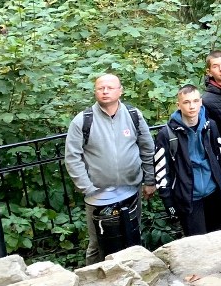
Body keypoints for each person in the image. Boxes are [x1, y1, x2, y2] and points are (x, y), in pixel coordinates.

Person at [65, 74, 156, 264]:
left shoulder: (133, 115)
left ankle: (134, 273)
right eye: (101, 88)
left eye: (110, 87)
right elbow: (73, 158)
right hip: (98, 195)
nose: (105, 91)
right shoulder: (83, 120)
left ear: (120, 91)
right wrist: (88, 189)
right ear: (95, 91)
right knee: (97, 243)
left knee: (132, 236)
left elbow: (147, 148)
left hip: (131, 191)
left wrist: (150, 180)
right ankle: (93, 277)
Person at [154, 85, 221, 237]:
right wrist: (168, 202)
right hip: (188, 197)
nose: (192, 106)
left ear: (201, 102)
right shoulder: (167, 134)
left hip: (213, 193)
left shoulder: (210, 127)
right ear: (178, 105)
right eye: (186, 102)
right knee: (196, 242)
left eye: (195, 101)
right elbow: (161, 171)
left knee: (217, 238)